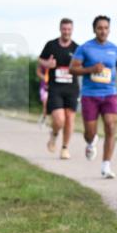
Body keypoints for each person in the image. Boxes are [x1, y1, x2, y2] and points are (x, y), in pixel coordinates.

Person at [70, 16, 117, 178]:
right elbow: (73, 68)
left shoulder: (115, 49)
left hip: (109, 93)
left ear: (109, 29)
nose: (103, 31)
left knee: (111, 127)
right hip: (90, 95)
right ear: (94, 30)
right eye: (100, 28)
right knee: (90, 132)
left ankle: (106, 165)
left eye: (106, 28)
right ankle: (91, 142)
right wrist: (90, 69)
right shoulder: (85, 48)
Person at [39, 20, 80, 158]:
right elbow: (40, 60)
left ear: (72, 30)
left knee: (69, 118)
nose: (66, 32)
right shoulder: (51, 45)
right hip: (55, 88)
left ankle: (65, 148)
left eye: (69, 29)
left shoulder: (77, 48)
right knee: (59, 120)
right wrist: (47, 64)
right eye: (64, 29)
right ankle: (54, 134)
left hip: (72, 88)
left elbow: (82, 65)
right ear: (60, 29)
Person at [35, 61, 49, 126]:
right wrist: (45, 78)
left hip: (54, 88)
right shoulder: (42, 61)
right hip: (44, 87)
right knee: (45, 105)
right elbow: (38, 72)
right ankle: (44, 120)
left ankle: (46, 119)